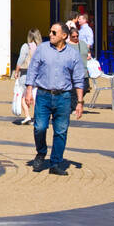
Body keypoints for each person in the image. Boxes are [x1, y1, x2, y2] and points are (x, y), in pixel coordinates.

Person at [24, 22, 86, 175]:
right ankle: (41, 153)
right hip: (44, 95)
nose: (50, 35)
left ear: (64, 36)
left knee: (61, 131)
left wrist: (79, 102)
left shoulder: (73, 55)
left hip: (63, 97)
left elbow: (79, 79)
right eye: (50, 32)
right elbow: (32, 70)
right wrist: (29, 90)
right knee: (39, 127)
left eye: (54, 32)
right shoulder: (42, 49)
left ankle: (56, 163)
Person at [13, 29, 40, 125]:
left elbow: (20, 60)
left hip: (26, 74)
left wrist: (16, 72)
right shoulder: (41, 47)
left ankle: (28, 116)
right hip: (38, 75)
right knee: (36, 96)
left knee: (23, 97)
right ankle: (38, 117)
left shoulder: (26, 46)